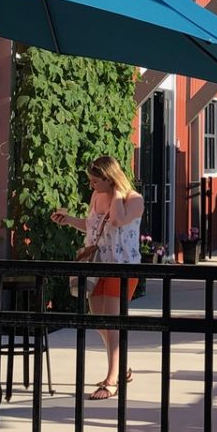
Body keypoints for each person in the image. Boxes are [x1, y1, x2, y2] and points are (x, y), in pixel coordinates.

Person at [51, 155, 144, 401]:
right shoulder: (95, 196)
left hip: (121, 266)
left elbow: (117, 219)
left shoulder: (134, 199)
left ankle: (113, 379)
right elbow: (92, 226)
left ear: (110, 178)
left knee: (113, 322)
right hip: (95, 264)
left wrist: (116, 193)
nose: (91, 185)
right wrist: (69, 220)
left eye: (95, 181)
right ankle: (121, 368)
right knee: (99, 322)